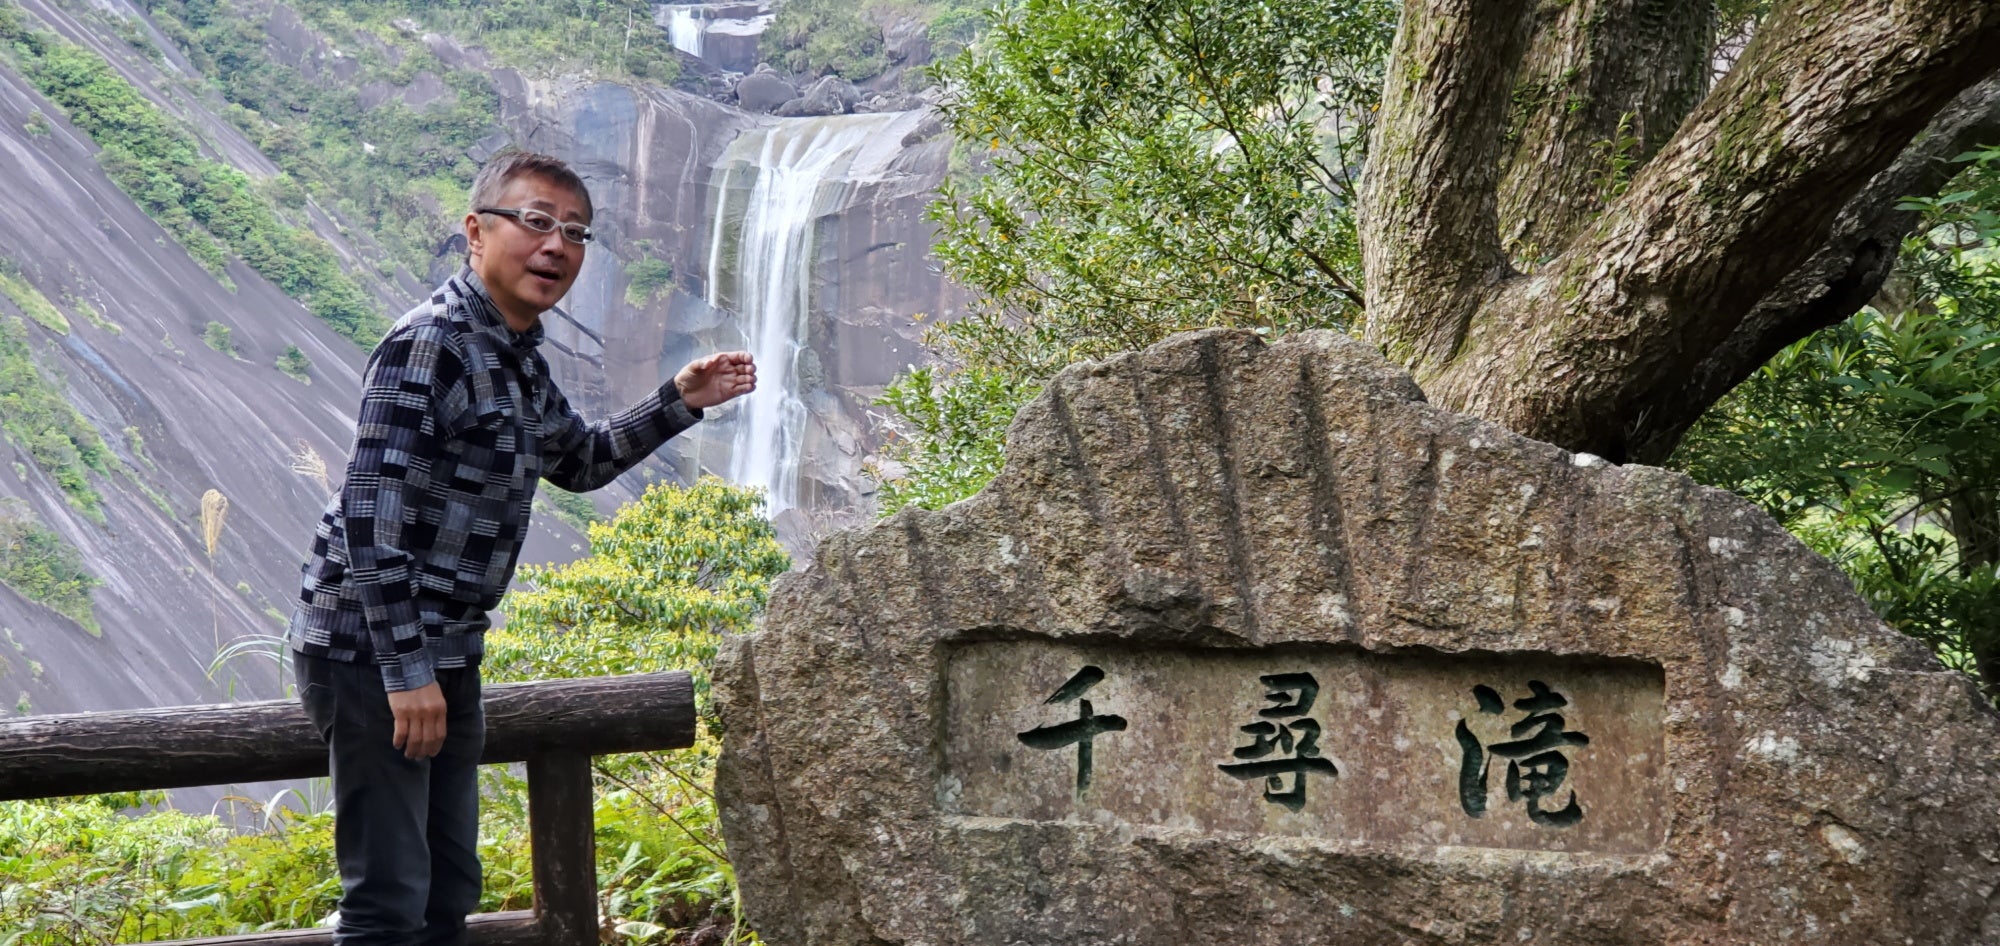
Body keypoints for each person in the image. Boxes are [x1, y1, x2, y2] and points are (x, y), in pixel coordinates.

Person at [285, 150, 755, 945]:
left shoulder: (514, 354)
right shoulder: (431, 343)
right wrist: (406, 672)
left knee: (446, 888)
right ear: (476, 231)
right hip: (373, 653)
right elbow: (370, 511)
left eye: (575, 232)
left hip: (449, 650)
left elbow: (580, 459)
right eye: (536, 222)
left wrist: (680, 400)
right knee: (389, 897)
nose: (557, 246)